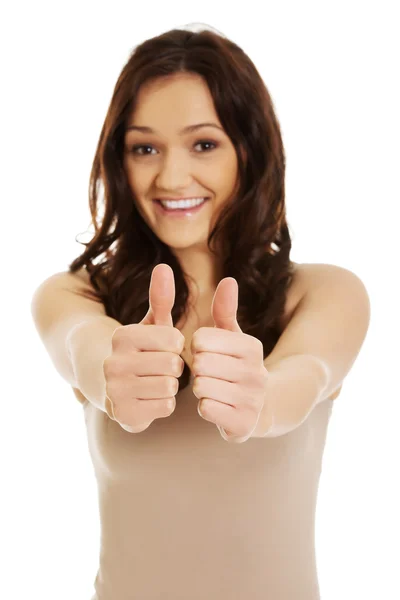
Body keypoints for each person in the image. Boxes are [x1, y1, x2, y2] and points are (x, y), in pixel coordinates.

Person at [31, 24, 370, 600]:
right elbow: (81, 345)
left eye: (204, 144)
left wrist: (260, 402)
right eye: (145, 148)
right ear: (121, 162)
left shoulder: (324, 293)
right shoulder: (75, 294)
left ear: (250, 150)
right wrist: (109, 377)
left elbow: (306, 375)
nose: (170, 177)